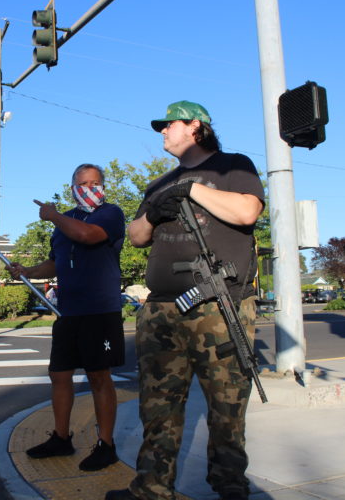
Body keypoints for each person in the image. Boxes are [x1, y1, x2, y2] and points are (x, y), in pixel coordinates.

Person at [105, 101, 264, 500]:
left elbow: (247, 212)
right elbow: (137, 236)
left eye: (168, 125)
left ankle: (230, 487)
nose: (162, 132)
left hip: (220, 305)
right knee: (158, 408)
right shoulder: (159, 183)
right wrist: (156, 210)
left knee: (227, 406)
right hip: (161, 310)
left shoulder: (232, 165)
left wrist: (191, 189)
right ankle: (152, 489)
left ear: (196, 126)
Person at [7, 163, 125, 472]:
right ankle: (61, 437)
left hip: (100, 310)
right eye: (83, 183)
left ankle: (106, 444)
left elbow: (88, 236)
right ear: (72, 187)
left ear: (103, 186)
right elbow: (56, 262)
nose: (89, 188)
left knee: (99, 376)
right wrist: (28, 272)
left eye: (95, 183)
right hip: (67, 310)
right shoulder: (65, 222)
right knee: (59, 374)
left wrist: (54, 216)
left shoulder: (110, 214)